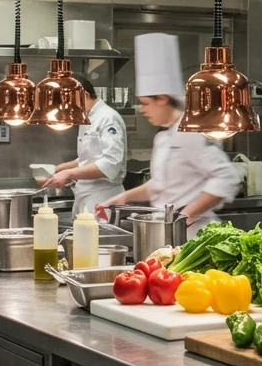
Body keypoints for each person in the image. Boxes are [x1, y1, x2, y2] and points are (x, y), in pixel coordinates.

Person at [95, 34, 241, 238]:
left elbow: (227, 178)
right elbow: (159, 185)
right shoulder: (163, 138)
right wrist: (122, 198)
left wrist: (185, 217)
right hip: (167, 231)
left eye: (146, 103)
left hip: (194, 233)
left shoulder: (192, 132)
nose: (142, 110)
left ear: (162, 99)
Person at [44, 74, 127, 215]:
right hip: (84, 195)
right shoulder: (86, 118)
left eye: (68, 103)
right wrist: (58, 169)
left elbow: (111, 163)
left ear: (84, 95)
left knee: (96, 230)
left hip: (103, 197)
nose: (66, 109)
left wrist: (68, 174)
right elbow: (89, 158)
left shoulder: (108, 118)